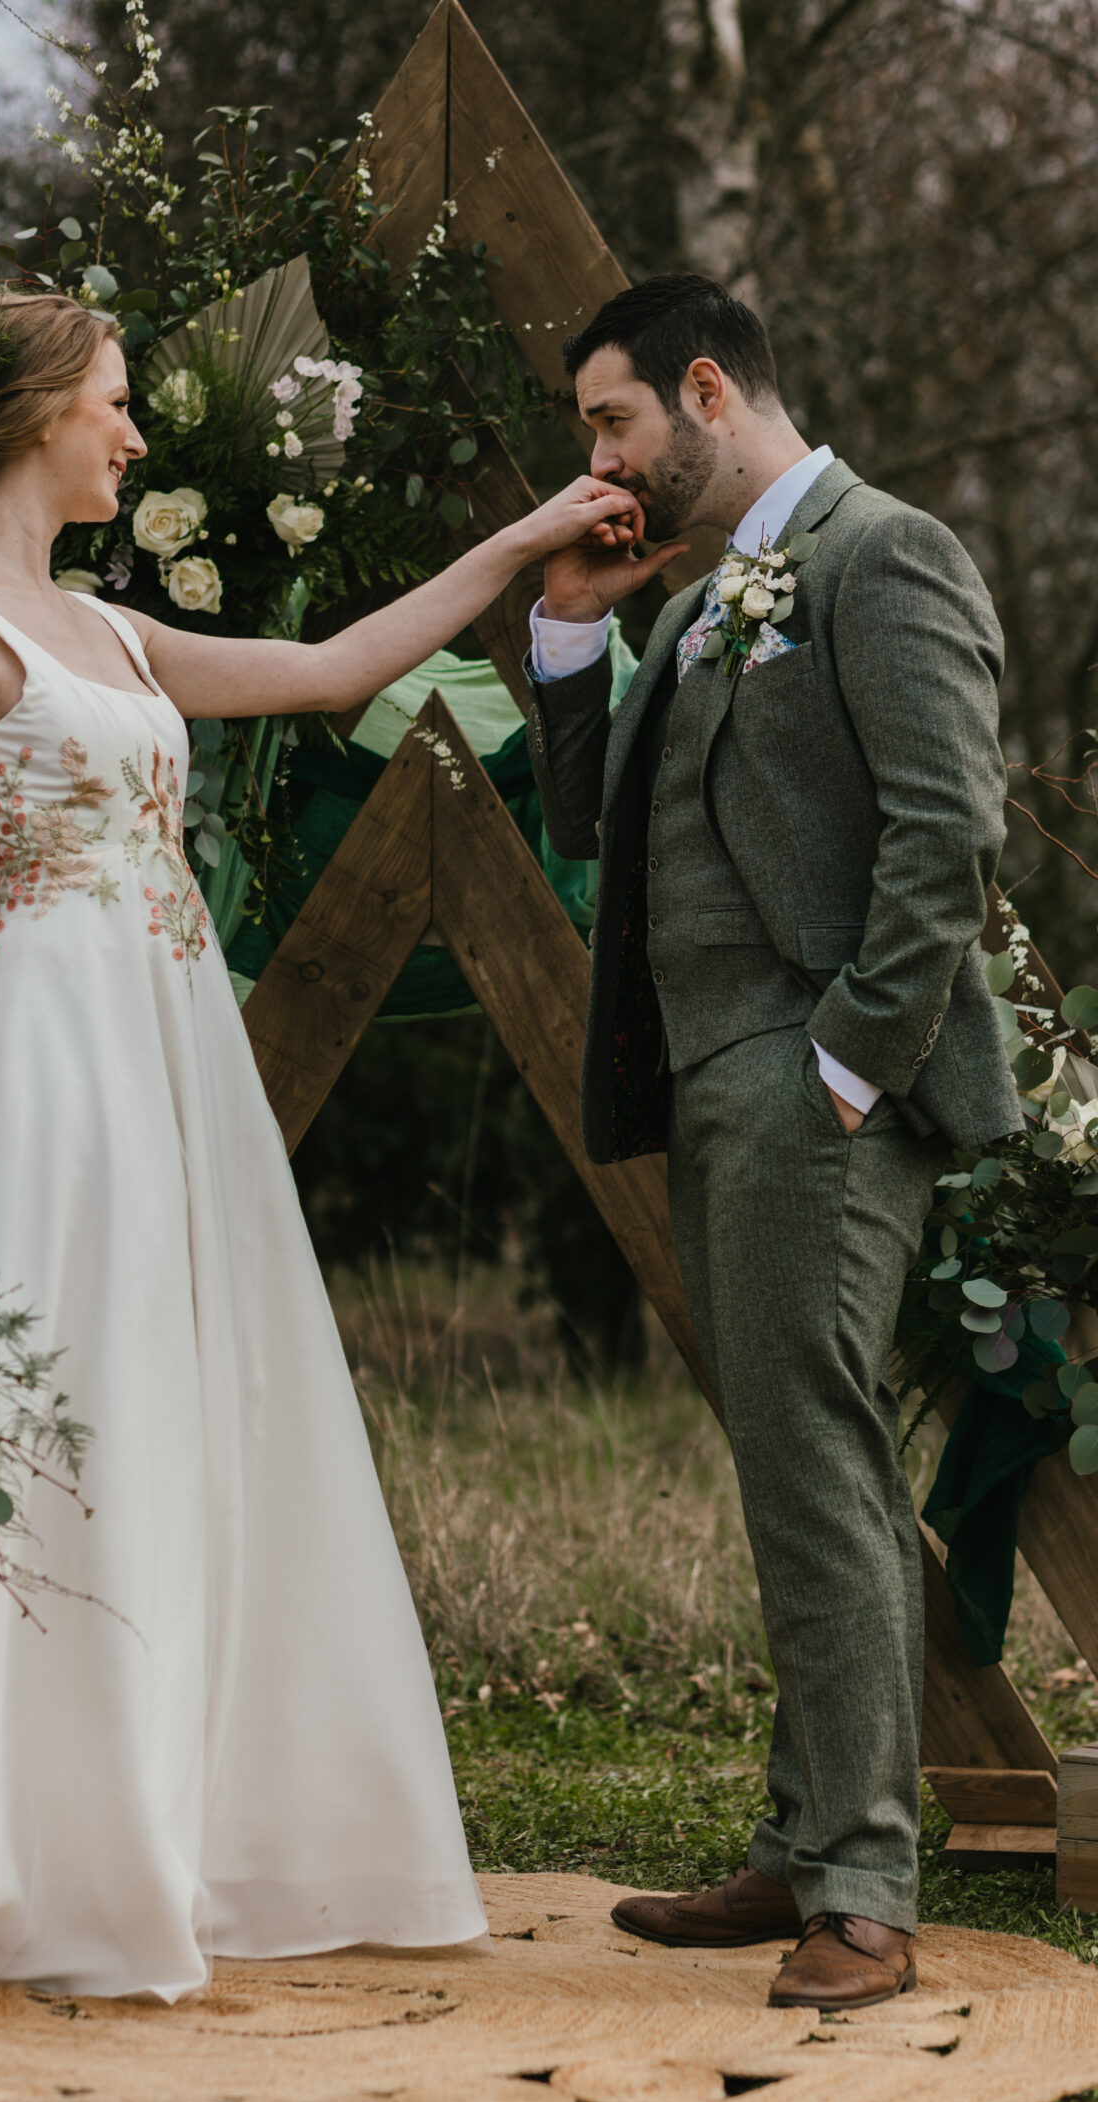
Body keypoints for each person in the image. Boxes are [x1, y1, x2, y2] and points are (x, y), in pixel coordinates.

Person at [0, 290, 667, 2007]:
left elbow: (345, 668)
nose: (133, 434)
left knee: (167, 1396)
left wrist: (527, 538)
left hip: (162, 1045)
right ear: (39, 412)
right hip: (38, 1057)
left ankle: (150, 1822)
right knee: (44, 1384)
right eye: (116, 405)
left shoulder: (110, 632)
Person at [525, 272, 1020, 2010]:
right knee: (795, 1467)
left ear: (709, 391)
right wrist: (578, 629)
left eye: (611, 420)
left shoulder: (884, 556)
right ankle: (808, 1841)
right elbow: (591, 824)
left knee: (814, 1465)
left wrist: (845, 1070)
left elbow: (949, 835)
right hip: (718, 1083)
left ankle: (866, 1896)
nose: (598, 455)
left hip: (820, 1088)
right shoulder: (700, 603)